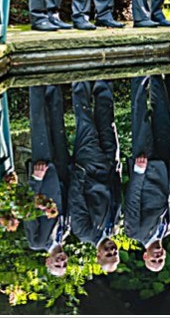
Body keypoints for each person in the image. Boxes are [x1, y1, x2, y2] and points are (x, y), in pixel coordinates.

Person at [68, 80, 123, 274]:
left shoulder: (85, 232)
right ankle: (103, 77)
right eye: (115, 253)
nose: (111, 250)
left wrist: (80, 172)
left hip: (90, 168)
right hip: (109, 164)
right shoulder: (113, 228)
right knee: (106, 117)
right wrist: (117, 168)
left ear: (98, 256)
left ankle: (80, 77)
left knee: (85, 121)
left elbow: (76, 200)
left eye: (108, 254)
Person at [125, 75, 170, 272]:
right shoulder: (169, 228)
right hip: (164, 164)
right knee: (163, 115)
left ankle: (138, 75)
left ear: (145, 256)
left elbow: (132, 200)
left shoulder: (135, 232)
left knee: (141, 117)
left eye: (153, 260)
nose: (158, 256)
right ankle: (156, 75)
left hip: (145, 168)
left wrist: (138, 173)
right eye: (161, 259)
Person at [24, 85, 72, 276]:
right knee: (57, 124)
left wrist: (36, 179)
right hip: (61, 171)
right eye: (64, 264)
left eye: (56, 265)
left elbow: (28, 211)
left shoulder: (37, 242)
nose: (61, 262)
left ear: (48, 261)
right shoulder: (67, 231)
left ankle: (35, 84)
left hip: (42, 174)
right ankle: (53, 84)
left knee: (40, 126)